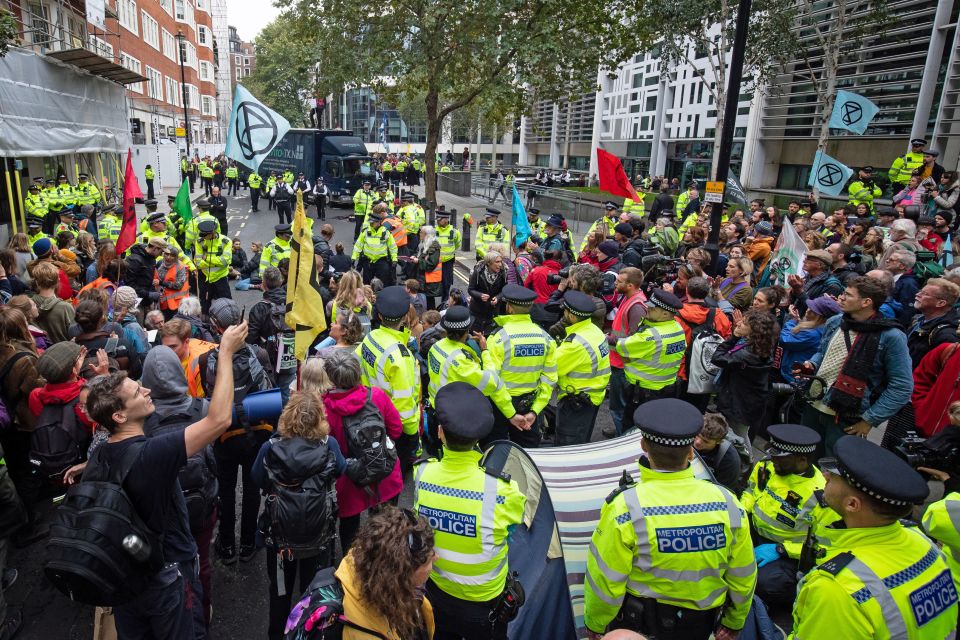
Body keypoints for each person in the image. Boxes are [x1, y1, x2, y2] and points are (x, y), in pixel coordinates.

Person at [83, 321, 247, 639]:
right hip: (165, 578)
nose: (146, 389)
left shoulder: (100, 453)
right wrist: (225, 352)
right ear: (118, 416)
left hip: (126, 580)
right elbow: (220, 419)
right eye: (136, 391)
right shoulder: (152, 455)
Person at [583, 399, 756, 640]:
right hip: (702, 627)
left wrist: (595, 623)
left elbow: (605, 579)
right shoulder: (727, 503)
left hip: (639, 626)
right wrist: (734, 621)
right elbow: (743, 574)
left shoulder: (625, 508)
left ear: (643, 445)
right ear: (690, 452)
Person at [791, 436, 957, 638]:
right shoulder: (924, 543)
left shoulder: (838, 589)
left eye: (834, 477)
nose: (824, 475)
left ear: (852, 504)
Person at [413, 382, 525, 640]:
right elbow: (511, 531)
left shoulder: (422, 474)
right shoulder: (504, 491)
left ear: (440, 432)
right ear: (479, 439)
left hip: (437, 593)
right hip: (485, 605)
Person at [251, 390, 344, 640]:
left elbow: (257, 478)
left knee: (280, 595)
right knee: (312, 593)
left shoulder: (269, 448)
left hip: (280, 540)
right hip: (319, 536)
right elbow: (341, 470)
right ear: (319, 418)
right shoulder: (329, 445)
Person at [140, 346, 220, 635]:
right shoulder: (203, 408)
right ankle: (203, 611)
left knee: (166, 565)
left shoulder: (142, 421)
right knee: (203, 561)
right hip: (203, 503)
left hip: (163, 510)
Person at [799, 276, 912, 457]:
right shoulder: (835, 321)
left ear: (866, 302)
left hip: (846, 418)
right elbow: (822, 351)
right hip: (814, 403)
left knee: (833, 471)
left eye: (848, 295)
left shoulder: (891, 336)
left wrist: (870, 420)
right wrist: (811, 364)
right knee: (803, 459)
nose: (841, 298)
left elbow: (902, 386)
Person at [741, 424, 840, 609]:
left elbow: (823, 545)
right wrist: (740, 511)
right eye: (773, 456)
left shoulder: (820, 495)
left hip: (786, 551)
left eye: (781, 459)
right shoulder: (767, 466)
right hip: (753, 531)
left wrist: (781, 549)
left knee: (764, 583)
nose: (774, 461)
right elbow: (752, 490)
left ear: (802, 459)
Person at [204, 300, 273, 565]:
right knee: (253, 490)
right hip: (257, 434)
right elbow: (269, 390)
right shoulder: (260, 353)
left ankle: (226, 544)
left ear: (216, 327)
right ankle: (246, 544)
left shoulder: (208, 360)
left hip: (223, 434)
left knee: (226, 489)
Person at [315, 350, 403, 551]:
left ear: (331, 377)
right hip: (384, 473)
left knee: (350, 532)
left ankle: (352, 570)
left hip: (349, 479)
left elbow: (326, 449)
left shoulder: (324, 408)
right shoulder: (378, 396)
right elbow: (396, 430)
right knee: (385, 530)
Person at [334, 506, 437, 640]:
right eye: (427, 561)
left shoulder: (363, 561)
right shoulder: (367, 635)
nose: (436, 557)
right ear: (402, 576)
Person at [479, 284, 557, 448]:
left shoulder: (499, 338)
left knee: (495, 452)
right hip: (529, 405)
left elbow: (492, 380)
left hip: (501, 407)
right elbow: (549, 379)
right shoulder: (546, 337)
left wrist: (511, 414)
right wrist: (534, 412)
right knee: (527, 455)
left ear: (509, 308)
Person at [356, 286, 422, 466]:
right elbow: (404, 403)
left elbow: (357, 367)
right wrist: (412, 435)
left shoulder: (371, 337)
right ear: (404, 318)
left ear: (379, 316)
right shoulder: (401, 356)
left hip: (369, 411)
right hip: (395, 428)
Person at [614, 289, 686, 433]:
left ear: (665, 314)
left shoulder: (651, 336)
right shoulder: (677, 327)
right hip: (666, 389)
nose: (647, 309)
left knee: (632, 430)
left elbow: (621, 346)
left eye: (652, 309)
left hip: (643, 393)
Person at [553, 290, 611, 444]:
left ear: (571, 315)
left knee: (568, 446)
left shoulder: (575, 344)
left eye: (565, 311)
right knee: (582, 439)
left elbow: (551, 368)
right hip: (592, 398)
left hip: (575, 403)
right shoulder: (594, 331)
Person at [712, 310, 777, 446]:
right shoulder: (763, 348)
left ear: (754, 330)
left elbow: (717, 357)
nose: (739, 323)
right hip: (750, 402)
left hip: (738, 404)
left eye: (744, 323)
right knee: (741, 433)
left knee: (738, 437)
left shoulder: (745, 355)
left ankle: (745, 462)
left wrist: (734, 336)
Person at [777, 296, 839, 384]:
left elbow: (785, 340)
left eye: (812, 309)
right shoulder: (818, 328)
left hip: (791, 376)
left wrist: (792, 321)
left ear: (819, 316)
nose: (808, 309)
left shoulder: (813, 334)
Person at [906, 277, 960, 368]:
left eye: (925, 294)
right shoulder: (918, 320)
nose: (917, 294)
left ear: (941, 303)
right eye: (920, 291)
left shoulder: (947, 335)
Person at [159, 318, 217, 399]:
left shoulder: (200, 365)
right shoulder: (188, 343)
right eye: (165, 347)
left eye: (173, 346)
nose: (168, 351)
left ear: (186, 342)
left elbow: (201, 404)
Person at [27, 261, 74, 343]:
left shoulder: (28, 306)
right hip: (66, 353)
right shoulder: (66, 307)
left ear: (37, 282)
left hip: (41, 353)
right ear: (58, 281)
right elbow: (74, 335)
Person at [693, 413, 741, 492]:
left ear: (719, 442)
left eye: (705, 441)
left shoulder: (730, 460)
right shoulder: (690, 434)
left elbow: (724, 492)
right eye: (698, 436)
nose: (697, 442)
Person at [194, 219, 232, 315]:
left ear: (213, 232)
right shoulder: (199, 242)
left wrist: (206, 259)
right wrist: (215, 262)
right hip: (205, 278)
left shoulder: (226, 242)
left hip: (220, 278)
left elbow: (225, 261)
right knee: (204, 304)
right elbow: (198, 262)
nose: (203, 237)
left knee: (227, 304)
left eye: (205, 235)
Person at [352, 208, 398, 286]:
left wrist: (394, 259)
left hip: (381, 262)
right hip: (368, 262)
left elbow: (392, 247)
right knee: (367, 284)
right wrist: (353, 258)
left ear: (379, 222)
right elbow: (358, 245)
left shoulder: (385, 232)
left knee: (383, 283)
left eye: (372, 222)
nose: (371, 224)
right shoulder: (366, 231)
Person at [467, 251, 506, 335]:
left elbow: (504, 289)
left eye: (501, 261)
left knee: (491, 336)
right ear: (489, 263)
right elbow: (470, 289)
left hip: (493, 312)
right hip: (477, 312)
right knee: (476, 336)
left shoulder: (503, 272)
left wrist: (498, 297)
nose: (500, 264)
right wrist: (480, 295)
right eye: (497, 262)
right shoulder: (478, 272)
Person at [415, 225, 443, 310]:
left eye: (421, 233)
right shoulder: (424, 243)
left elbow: (431, 264)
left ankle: (431, 319)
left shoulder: (434, 247)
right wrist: (414, 257)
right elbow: (419, 255)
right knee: (423, 299)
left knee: (429, 301)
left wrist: (418, 261)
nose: (419, 234)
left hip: (430, 279)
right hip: (424, 278)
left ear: (427, 235)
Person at [435, 211, 461, 301]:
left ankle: (444, 302)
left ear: (446, 219)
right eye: (437, 220)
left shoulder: (454, 231)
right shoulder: (434, 230)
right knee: (434, 283)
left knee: (446, 283)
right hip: (436, 261)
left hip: (448, 262)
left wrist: (449, 253)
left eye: (439, 220)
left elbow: (457, 244)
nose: (437, 222)